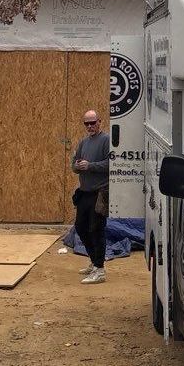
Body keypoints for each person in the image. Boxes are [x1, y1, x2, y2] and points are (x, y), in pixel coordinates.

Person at [71, 109, 110, 284]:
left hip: (100, 193)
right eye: (86, 123)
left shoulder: (106, 140)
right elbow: (74, 164)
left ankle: (99, 270)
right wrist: (77, 166)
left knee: (96, 229)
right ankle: (94, 262)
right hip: (84, 192)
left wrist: (91, 165)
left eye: (92, 123)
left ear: (99, 122)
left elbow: (111, 164)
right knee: (81, 227)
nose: (90, 126)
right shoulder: (83, 143)